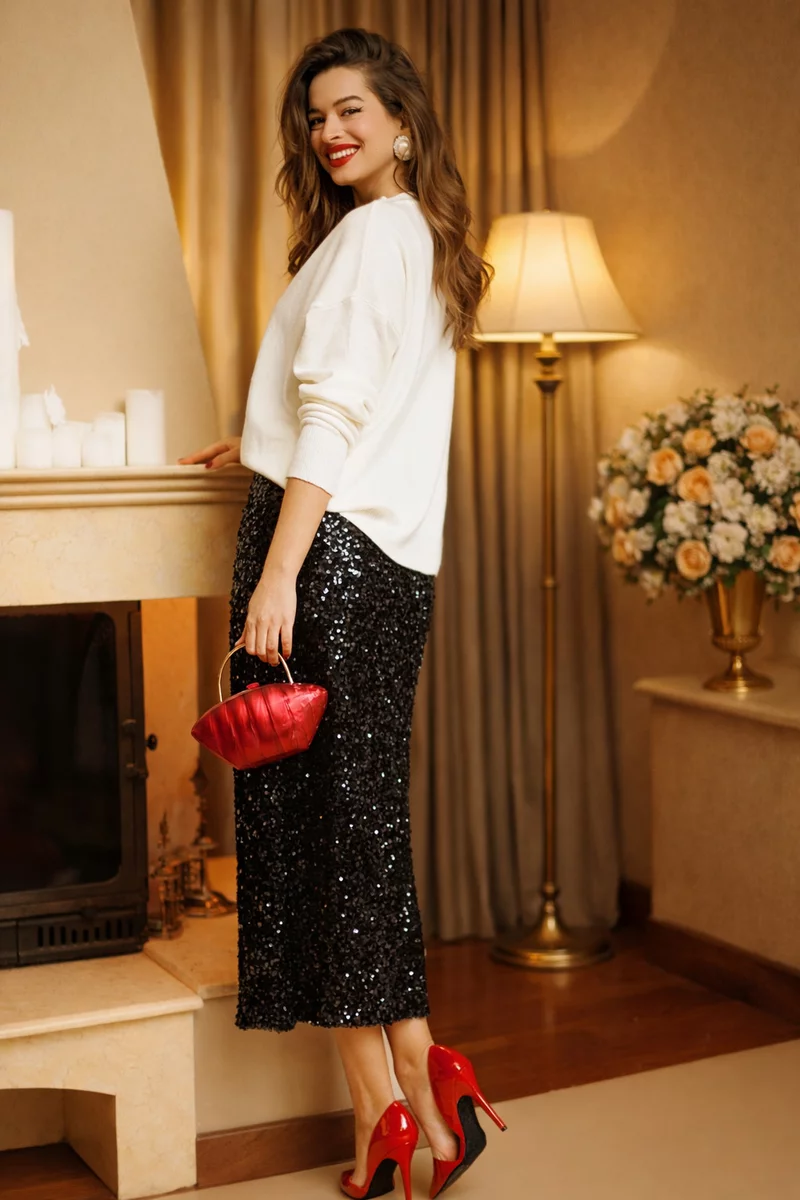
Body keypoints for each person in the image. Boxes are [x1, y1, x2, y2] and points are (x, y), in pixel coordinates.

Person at [180, 26, 506, 1200]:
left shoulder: (371, 235)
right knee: (354, 827)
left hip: (324, 556)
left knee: (321, 833)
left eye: (353, 110)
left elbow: (339, 408)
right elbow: (356, 406)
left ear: (403, 123)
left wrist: (279, 568)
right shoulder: (410, 237)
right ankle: (420, 1077)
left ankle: (390, 1110)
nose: (330, 132)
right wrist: (260, 443)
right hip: (381, 563)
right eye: (317, 116)